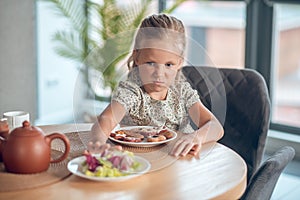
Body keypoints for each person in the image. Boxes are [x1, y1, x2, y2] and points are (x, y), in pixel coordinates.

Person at [90, 14, 224, 157]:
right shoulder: (131, 90)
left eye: (168, 65)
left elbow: (215, 126)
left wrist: (195, 137)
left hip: (180, 160)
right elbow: (107, 119)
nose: (159, 74)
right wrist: (99, 144)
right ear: (137, 56)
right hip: (141, 161)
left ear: (179, 62)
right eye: (151, 63)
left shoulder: (181, 90)